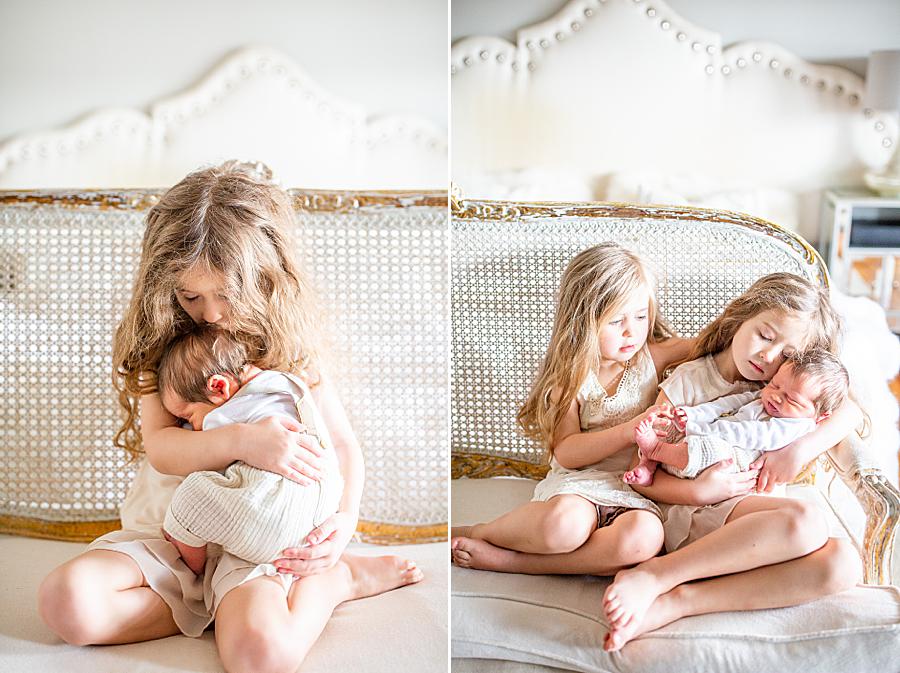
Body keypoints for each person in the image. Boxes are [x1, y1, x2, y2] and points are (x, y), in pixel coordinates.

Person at [37, 161, 422, 672]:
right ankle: (212, 607)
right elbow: (163, 448)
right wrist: (243, 441)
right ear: (163, 282)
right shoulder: (164, 350)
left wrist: (344, 522)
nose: (211, 313)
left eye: (226, 293)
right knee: (66, 603)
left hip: (257, 544)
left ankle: (338, 582)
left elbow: (344, 448)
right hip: (170, 538)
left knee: (262, 657)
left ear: (266, 278)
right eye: (191, 296)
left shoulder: (290, 353)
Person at [602, 272, 863, 651]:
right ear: (740, 317)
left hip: (753, 523)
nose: (768, 357)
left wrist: (798, 450)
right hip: (694, 511)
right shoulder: (692, 380)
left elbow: (851, 411)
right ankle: (656, 575)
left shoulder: (780, 391)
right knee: (806, 522)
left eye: (788, 356)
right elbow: (642, 472)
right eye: (765, 335)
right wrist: (700, 491)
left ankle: (677, 603)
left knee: (844, 565)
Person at [450, 243, 695, 574]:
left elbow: (720, 340)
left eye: (641, 316)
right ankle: (479, 533)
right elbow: (566, 452)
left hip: (635, 489)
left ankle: (518, 563)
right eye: (615, 321)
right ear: (583, 321)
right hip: (580, 483)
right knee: (565, 528)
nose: (631, 331)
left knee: (644, 539)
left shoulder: (654, 355)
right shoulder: (572, 377)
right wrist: (630, 429)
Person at [156, 323, 344, 576]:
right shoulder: (289, 384)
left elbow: (200, 458)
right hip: (320, 521)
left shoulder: (225, 414)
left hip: (272, 526)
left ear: (219, 388)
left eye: (189, 416)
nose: (192, 426)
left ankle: (192, 566)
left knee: (190, 496)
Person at [624, 349, 850, 486]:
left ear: (820, 415)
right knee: (671, 425)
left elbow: (751, 435)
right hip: (704, 435)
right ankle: (648, 467)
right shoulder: (764, 398)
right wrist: (691, 416)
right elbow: (724, 404)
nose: (776, 398)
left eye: (792, 400)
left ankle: (656, 451)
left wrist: (699, 429)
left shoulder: (797, 427)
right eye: (775, 385)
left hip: (735, 460)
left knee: (713, 449)